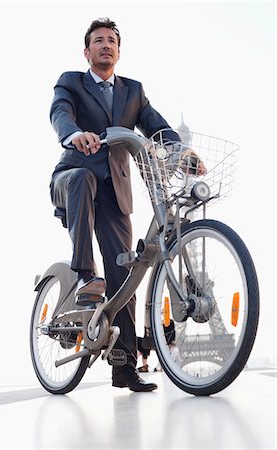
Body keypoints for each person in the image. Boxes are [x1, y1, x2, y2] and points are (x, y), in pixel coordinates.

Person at [49, 17, 205, 393]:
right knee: (84, 179)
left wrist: (181, 152)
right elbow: (60, 113)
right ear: (86, 51)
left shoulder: (133, 91)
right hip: (72, 179)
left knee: (127, 278)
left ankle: (124, 367)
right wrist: (74, 135)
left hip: (117, 196)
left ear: (118, 50)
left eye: (112, 41)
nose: (106, 45)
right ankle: (85, 276)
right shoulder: (71, 81)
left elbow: (157, 126)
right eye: (98, 40)